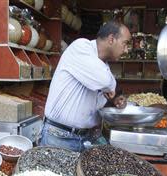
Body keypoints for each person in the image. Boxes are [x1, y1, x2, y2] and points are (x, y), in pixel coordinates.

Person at [39, 20, 131, 152]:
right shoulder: (81, 47)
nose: (126, 50)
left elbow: (102, 93)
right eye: (125, 44)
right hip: (59, 138)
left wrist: (113, 99)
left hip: (84, 138)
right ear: (111, 39)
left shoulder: (103, 65)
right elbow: (104, 81)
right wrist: (111, 86)